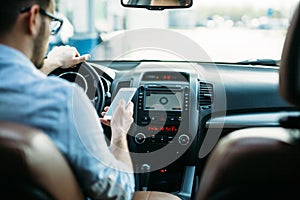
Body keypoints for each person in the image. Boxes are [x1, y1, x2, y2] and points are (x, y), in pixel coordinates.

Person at [0, 0, 135, 199]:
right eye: (52, 23)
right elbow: (120, 193)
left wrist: (51, 62)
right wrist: (119, 133)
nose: (49, 34)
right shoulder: (62, 101)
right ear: (34, 18)